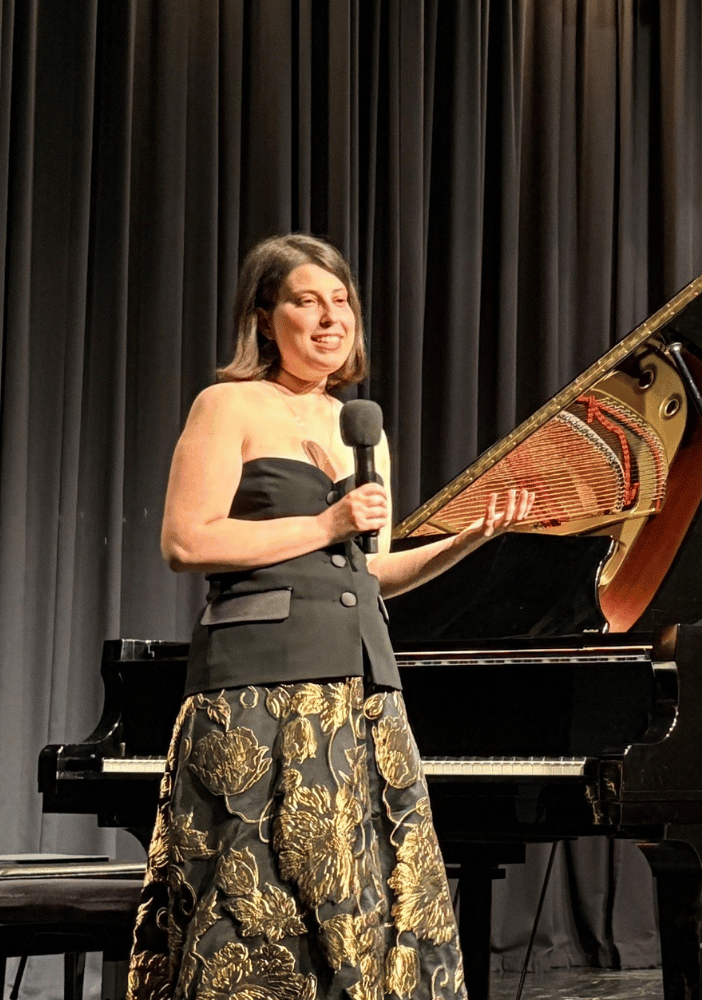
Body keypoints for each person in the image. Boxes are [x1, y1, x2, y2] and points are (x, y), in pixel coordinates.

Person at [127, 233, 534, 1000]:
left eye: (340, 301)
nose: (328, 318)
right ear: (264, 315)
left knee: (371, 911)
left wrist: (467, 541)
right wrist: (327, 522)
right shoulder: (229, 406)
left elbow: (370, 571)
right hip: (258, 692)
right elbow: (187, 541)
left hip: (361, 694)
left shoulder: (361, 428)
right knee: (255, 910)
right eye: (305, 301)